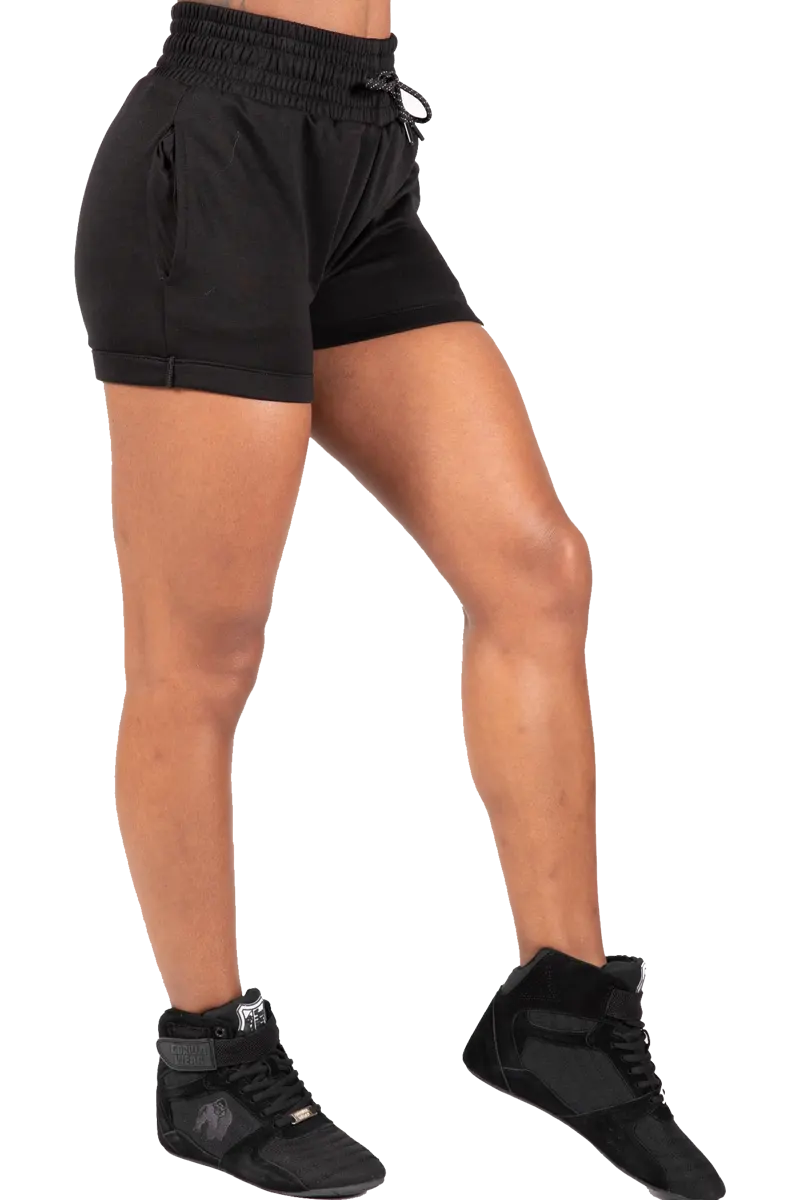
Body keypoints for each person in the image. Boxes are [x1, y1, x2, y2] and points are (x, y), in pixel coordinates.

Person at [74, 3, 727, 1198]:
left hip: (359, 145)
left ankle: (559, 1017)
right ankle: (206, 1060)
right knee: (200, 651)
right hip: (218, 155)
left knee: (533, 569)